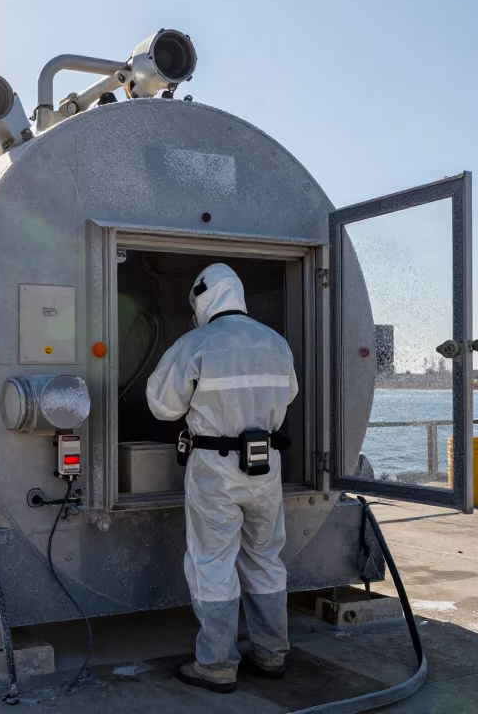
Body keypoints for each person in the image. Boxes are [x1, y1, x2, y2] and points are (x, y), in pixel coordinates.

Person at [145, 262, 299, 694]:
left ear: (202, 297)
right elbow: (288, 395)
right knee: (266, 557)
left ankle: (216, 665)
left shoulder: (197, 343)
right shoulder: (276, 343)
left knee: (213, 564)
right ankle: (271, 655)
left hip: (215, 468)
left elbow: (162, 406)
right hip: (264, 466)